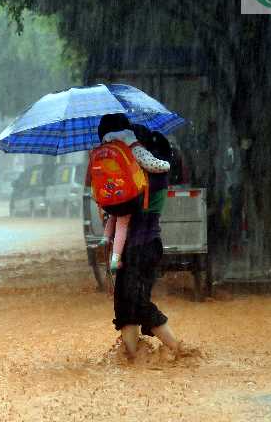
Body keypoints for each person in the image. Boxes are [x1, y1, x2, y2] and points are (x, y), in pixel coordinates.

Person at [99, 121, 189, 360]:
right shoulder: (131, 174)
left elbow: (131, 203)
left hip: (144, 246)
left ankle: (179, 351)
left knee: (138, 302)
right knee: (124, 306)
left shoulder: (153, 176)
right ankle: (131, 359)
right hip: (131, 250)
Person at [96, 114, 170, 273]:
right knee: (122, 223)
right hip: (127, 197)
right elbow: (152, 164)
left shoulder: (103, 148)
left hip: (109, 196)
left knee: (113, 216)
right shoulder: (133, 146)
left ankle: (105, 238)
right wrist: (166, 164)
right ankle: (115, 259)